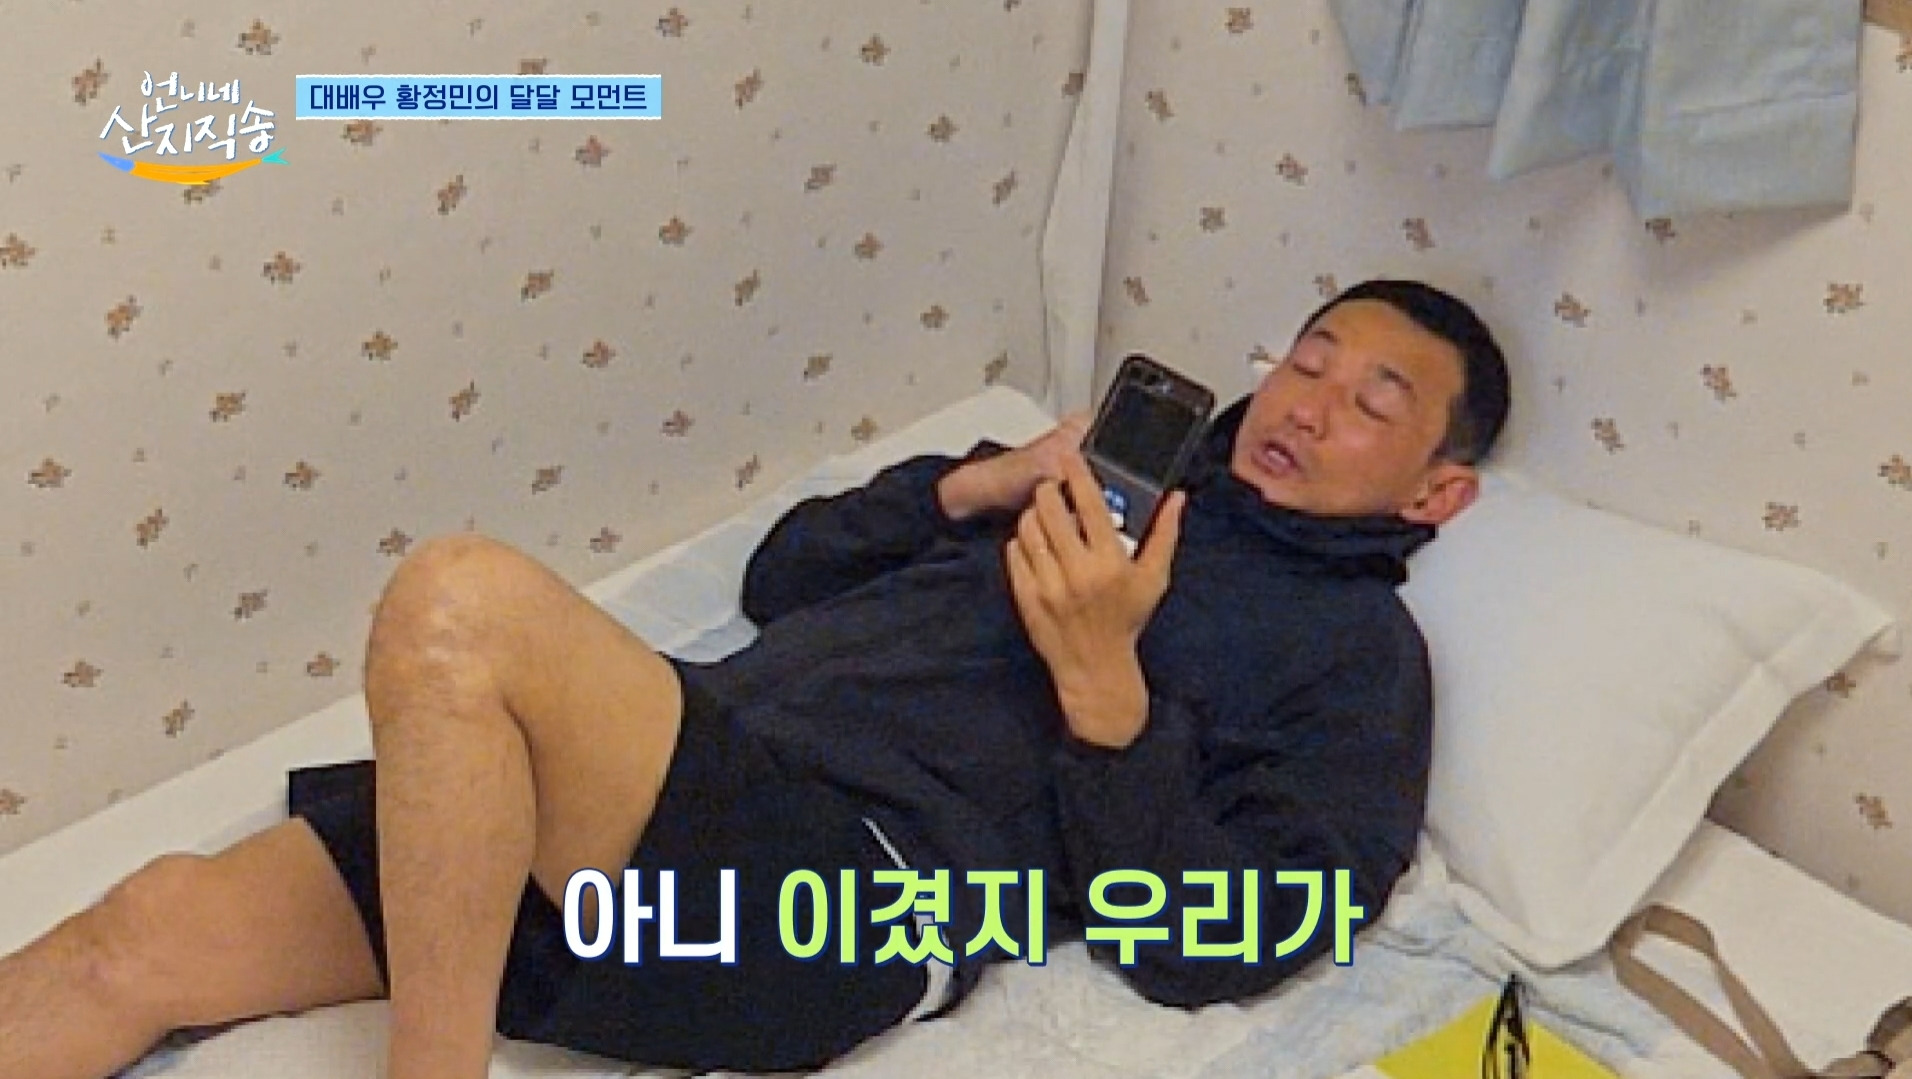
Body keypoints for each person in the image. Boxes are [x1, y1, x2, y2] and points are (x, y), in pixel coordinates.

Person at [0, 278, 1510, 1079]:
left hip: (846, 901)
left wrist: (1106, 699)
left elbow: (1233, 940)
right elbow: (782, 579)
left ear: (1437, 492)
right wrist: (970, 489)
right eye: (1309, 359)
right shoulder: (1096, 484)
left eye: (1374, 403)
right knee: (142, 935)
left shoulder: (1359, 662)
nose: (1311, 402)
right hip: (668, 787)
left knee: (462, 603)